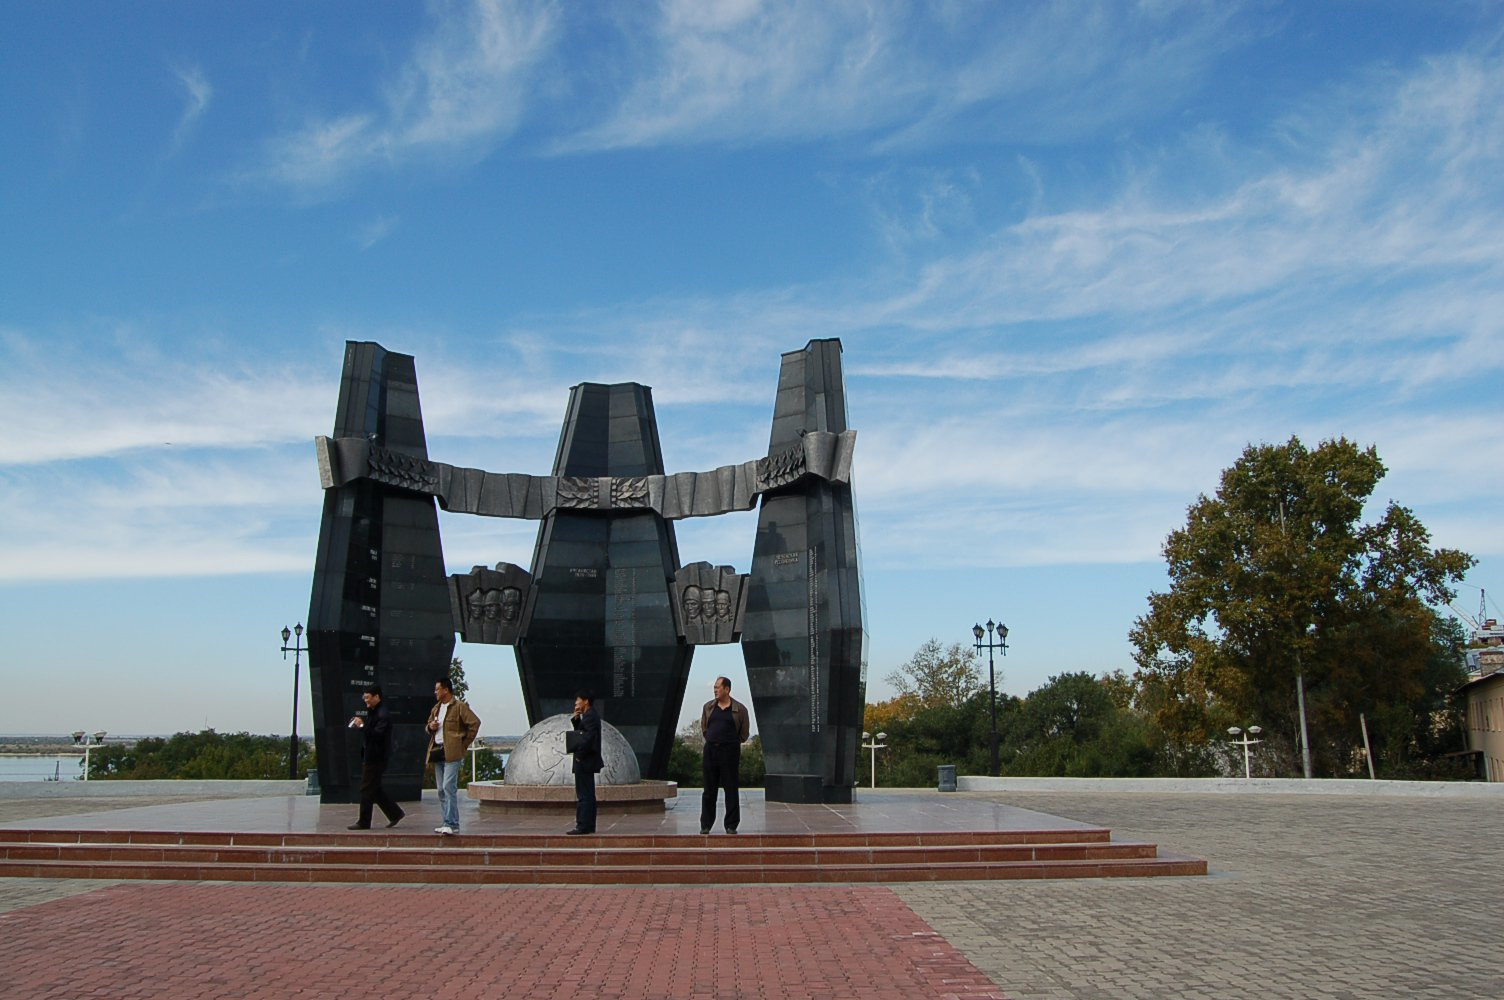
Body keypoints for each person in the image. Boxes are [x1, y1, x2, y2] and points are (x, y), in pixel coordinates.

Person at [425, 676, 480, 836]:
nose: (435, 692)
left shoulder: (459, 706)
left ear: (446, 690)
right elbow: (427, 727)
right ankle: (447, 822)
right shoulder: (436, 708)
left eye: (437, 689)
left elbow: (474, 723)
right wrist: (431, 726)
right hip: (438, 751)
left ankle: (451, 823)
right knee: (441, 789)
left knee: (449, 787)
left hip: (452, 753)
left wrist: (463, 743)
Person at [347, 686, 404, 830]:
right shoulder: (373, 711)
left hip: (377, 757)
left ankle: (364, 821)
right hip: (371, 755)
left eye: (368, 697)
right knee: (374, 788)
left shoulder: (382, 714)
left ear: (377, 696)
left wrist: (362, 726)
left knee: (366, 788)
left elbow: (377, 735)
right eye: (364, 698)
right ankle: (395, 813)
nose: (365, 700)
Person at [699, 676, 750, 835]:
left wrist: (731, 742)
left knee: (731, 789)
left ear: (727, 689)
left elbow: (744, 733)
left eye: (718, 687)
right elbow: (705, 728)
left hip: (730, 752)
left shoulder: (740, 709)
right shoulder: (708, 707)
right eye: (714, 687)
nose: (715, 690)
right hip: (711, 751)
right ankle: (706, 824)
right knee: (709, 789)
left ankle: (731, 825)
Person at [566, 689, 603, 835]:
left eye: (578, 700)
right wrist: (576, 719)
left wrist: (579, 756)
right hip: (585, 760)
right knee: (587, 793)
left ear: (586, 701)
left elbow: (588, 738)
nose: (576, 703)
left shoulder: (591, 717)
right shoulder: (588, 716)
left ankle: (583, 826)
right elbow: (581, 734)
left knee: (584, 794)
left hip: (585, 761)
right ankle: (588, 825)